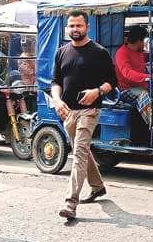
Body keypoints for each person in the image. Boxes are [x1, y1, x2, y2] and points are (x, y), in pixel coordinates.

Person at [50, 11, 118, 220]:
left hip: (90, 110)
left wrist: (97, 91)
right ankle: (97, 187)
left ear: (87, 27)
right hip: (67, 112)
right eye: (71, 26)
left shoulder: (99, 52)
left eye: (79, 25)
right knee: (82, 149)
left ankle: (71, 203)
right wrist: (57, 101)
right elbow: (55, 82)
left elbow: (112, 82)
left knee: (79, 152)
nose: (75, 29)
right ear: (66, 28)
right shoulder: (61, 52)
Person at [114, 25, 153, 126]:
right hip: (125, 90)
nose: (144, 44)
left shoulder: (138, 52)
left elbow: (145, 56)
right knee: (143, 95)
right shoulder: (122, 53)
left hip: (143, 88)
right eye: (143, 41)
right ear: (139, 41)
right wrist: (150, 76)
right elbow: (128, 73)